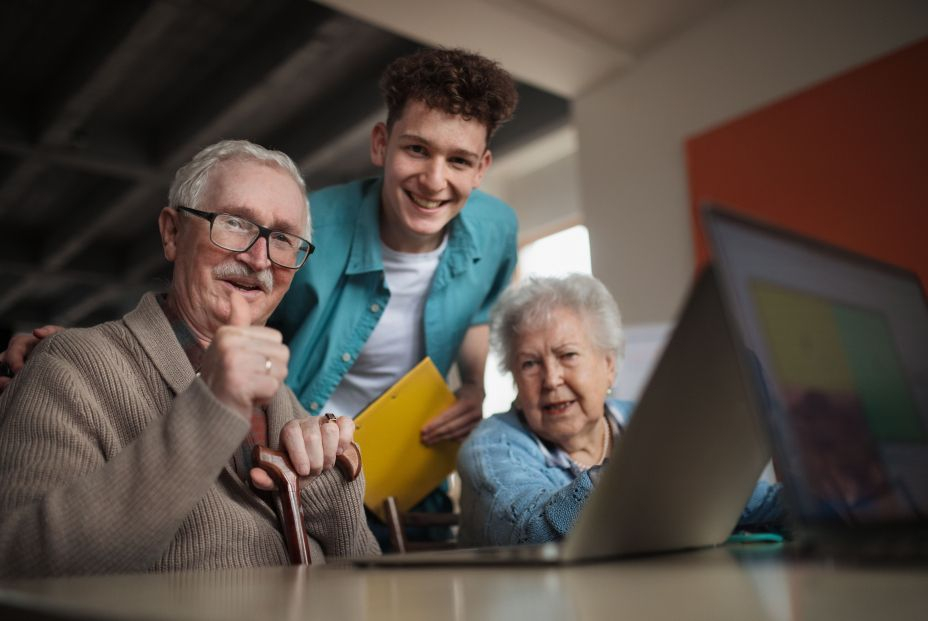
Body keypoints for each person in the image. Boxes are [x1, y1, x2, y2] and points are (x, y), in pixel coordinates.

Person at [0, 140, 380, 578]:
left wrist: (333, 493)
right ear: (172, 234)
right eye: (235, 223)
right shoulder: (69, 367)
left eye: (282, 239)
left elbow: (367, 586)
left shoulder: (285, 402)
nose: (259, 259)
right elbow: (18, 566)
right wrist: (209, 409)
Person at [456, 274, 783, 546]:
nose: (551, 379)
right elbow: (531, 531)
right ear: (514, 378)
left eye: (568, 355)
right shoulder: (492, 445)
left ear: (609, 366)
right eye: (529, 364)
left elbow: (748, 500)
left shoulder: (641, 420)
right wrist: (638, 476)